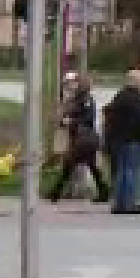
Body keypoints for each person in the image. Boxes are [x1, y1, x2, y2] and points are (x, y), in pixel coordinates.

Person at [104, 69, 140, 215]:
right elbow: (138, 120)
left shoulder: (120, 95)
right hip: (132, 139)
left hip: (118, 139)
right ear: (137, 81)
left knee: (121, 171)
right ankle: (129, 204)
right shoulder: (135, 97)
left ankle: (120, 204)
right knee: (132, 171)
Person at [50, 73, 103, 203]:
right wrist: (62, 121)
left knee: (69, 165)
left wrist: (72, 121)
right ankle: (104, 191)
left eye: (78, 84)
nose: (76, 86)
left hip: (83, 138)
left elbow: (88, 118)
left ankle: (55, 193)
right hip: (82, 138)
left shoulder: (86, 100)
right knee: (91, 166)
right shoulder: (77, 100)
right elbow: (68, 116)